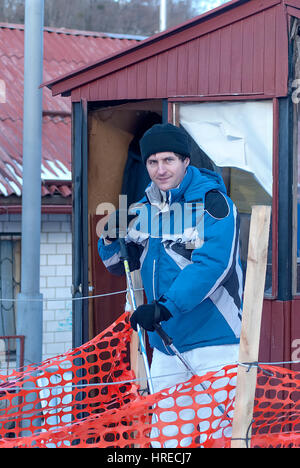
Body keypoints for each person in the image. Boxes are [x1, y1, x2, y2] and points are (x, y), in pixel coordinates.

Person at [98, 123, 243, 446]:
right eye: (153, 162)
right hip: (165, 342)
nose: (160, 170)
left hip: (214, 340)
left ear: (185, 162)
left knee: (215, 439)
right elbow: (115, 264)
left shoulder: (213, 204)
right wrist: (110, 237)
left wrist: (165, 307)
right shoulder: (143, 208)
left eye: (168, 161)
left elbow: (212, 265)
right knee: (166, 440)